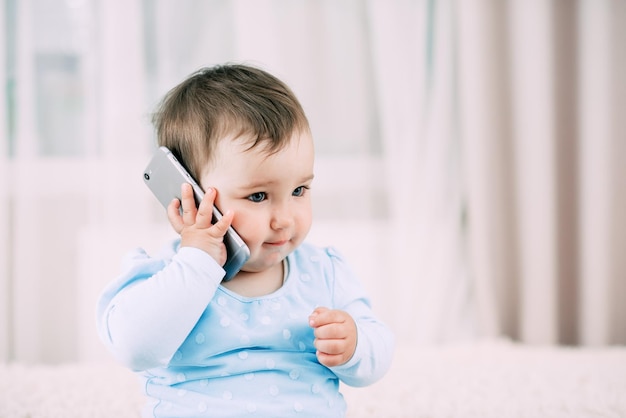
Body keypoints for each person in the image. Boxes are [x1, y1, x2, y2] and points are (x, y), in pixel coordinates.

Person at [96, 63, 394, 418]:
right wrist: (198, 262)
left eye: (299, 190)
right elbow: (134, 348)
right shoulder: (167, 276)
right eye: (258, 196)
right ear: (189, 194)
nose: (285, 219)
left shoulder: (324, 270)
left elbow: (379, 351)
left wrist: (355, 344)